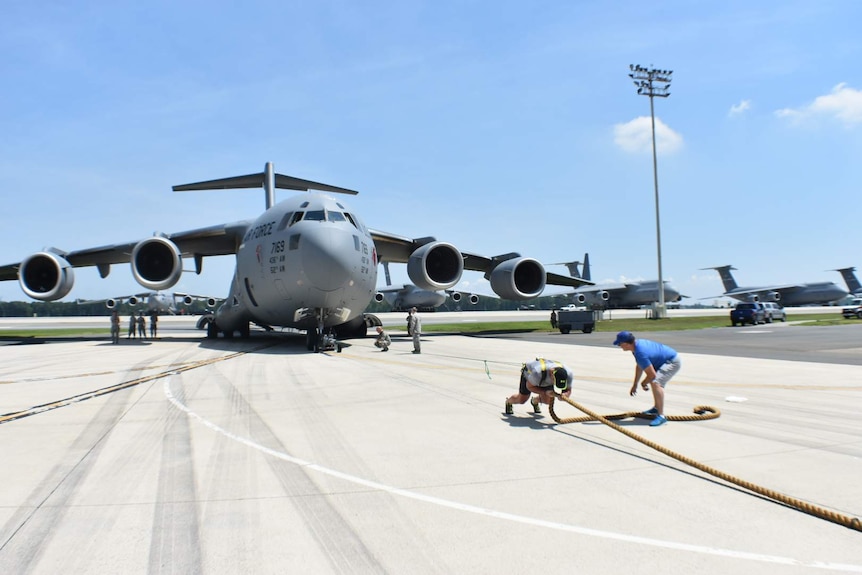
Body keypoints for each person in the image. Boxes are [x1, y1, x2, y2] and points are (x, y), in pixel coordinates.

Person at [613, 330, 681, 427]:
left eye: (619, 344)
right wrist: (635, 384)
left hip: (672, 361)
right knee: (653, 381)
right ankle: (656, 408)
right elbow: (640, 366)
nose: (619, 346)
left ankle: (661, 417)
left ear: (626, 344)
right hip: (662, 361)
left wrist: (643, 383)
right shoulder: (636, 348)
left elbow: (652, 375)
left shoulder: (640, 352)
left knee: (656, 382)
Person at [505, 358, 573, 415]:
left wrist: (564, 396)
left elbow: (568, 389)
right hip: (530, 374)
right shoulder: (537, 373)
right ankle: (508, 402)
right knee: (522, 400)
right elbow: (530, 387)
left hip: (545, 378)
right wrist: (545, 392)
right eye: (554, 381)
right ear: (552, 373)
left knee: (547, 401)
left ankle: (534, 401)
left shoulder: (569, 374)